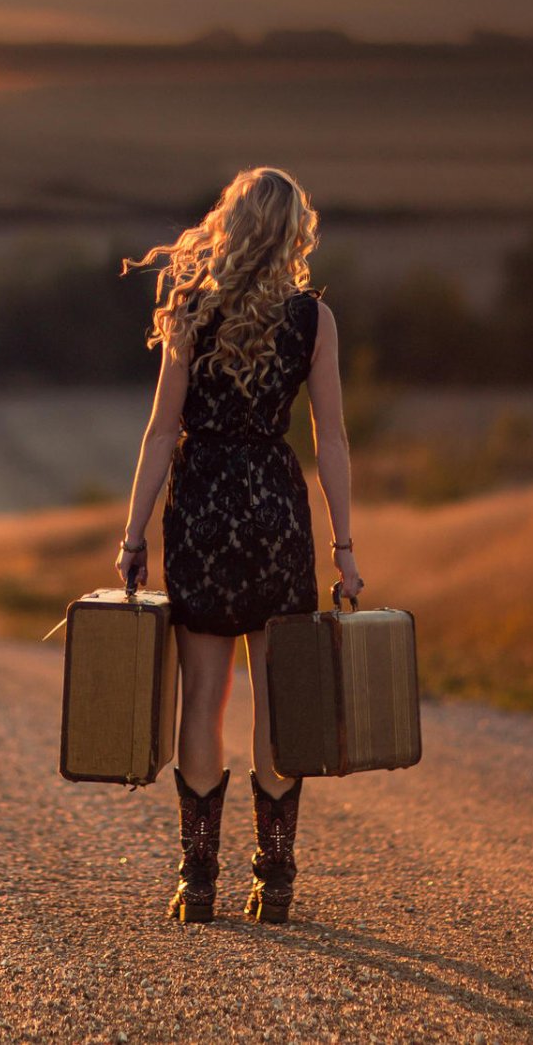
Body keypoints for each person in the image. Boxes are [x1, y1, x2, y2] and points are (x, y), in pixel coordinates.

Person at [115, 165, 363, 924]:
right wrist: (344, 547)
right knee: (274, 705)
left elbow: (162, 431)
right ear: (293, 233)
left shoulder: (190, 308)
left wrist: (132, 534)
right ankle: (276, 875)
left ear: (229, 224)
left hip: (200, 511)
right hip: (275, 514)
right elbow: (332, 440)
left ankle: (198, 879)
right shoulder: (313, 321)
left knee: (202, 696)